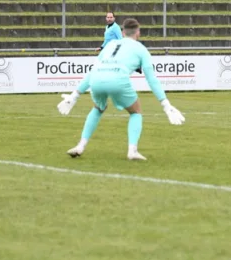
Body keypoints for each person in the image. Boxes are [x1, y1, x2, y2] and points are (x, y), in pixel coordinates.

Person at [57, 18, 185, 160]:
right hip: (118, 80)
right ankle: (132, 150)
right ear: (138, 33)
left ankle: (80, 146)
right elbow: (151, 79)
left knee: (98, 108)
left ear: (123, 32)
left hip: (97, 80)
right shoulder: (141, 49)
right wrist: (165, 104)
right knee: (136, 111)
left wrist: (75, 95)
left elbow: (93, 70)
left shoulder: (111, 44)